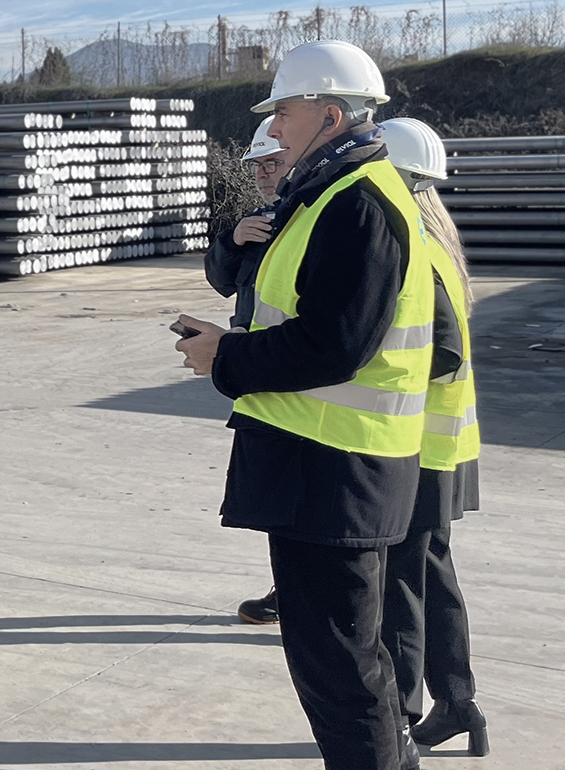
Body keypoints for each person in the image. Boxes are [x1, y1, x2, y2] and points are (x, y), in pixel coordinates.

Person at [174, 39, 435, 770]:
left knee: (342, 671)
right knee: (344, 663)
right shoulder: (332, 193)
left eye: (284, 112)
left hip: (336, 473)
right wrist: (229, 343)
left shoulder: (359, 203)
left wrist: (225, 356)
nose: (274, 129)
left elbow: (334, 345)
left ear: (329, 115)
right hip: (324, 469)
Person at [374, 118, 489, 757]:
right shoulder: (440, 242)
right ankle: (458, 701)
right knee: (433, 573)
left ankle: (401, 714)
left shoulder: (413, 244)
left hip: (417, 448)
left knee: (402, 584)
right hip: (444, 446)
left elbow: (440, 351)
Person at [203, 117, 290, 625]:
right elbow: (221, 279)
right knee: (279, 503)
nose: (262, 173)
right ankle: (289, 590)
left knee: (298, 505)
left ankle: (298, 594)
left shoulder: (314, 221)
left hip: (290, 375)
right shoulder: (259, 220)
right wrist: (233, 239)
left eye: (273, 163)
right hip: (260, 374)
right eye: (257, 165)